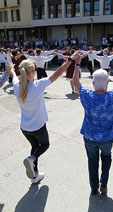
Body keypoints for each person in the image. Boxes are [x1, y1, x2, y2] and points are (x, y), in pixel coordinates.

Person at [10, 53, 78, 183]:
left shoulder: (17, 87)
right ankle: (32, 159)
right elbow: (57, 74)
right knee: (45, 145)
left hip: (25, 128)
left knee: (35, 146)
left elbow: (13, 76)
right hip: (38, 127)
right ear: (32, 72)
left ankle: (35, 174)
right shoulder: (38, 85)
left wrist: (11, 70)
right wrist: (70, 60)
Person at [72, 51, 113, 195]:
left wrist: (77, 64)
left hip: (90, 136)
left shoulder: (87, 95)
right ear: (107, 83)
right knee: (106, 158)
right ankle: (104, 183)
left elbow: (76, 82)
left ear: (93, 83)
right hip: (107, 137)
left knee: (92, 161)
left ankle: (93, 186)